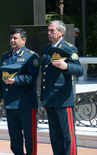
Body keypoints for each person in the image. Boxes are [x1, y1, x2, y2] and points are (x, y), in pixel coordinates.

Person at [41, 20, 84, 155]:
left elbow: (79, 70)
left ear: (61, 32)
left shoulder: (69, 48)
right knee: (55, 137)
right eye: (48, 31)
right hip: (49, 99)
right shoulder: (46, 49)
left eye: (52, 30)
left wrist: (66, 66)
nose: (49, 33)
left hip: (63, 99)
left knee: (68, 136)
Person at [0, 28, 40, 155]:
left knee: (29, 135)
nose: (12, 41)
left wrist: (15, 80)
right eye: (11, 38)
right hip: (10, 103)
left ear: (24, 40)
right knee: (14, 136)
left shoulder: (31, 56)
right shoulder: (6, 56)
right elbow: (0, 77)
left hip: (25, 103)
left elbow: (31, 77)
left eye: (15, 38)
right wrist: (1, 95)